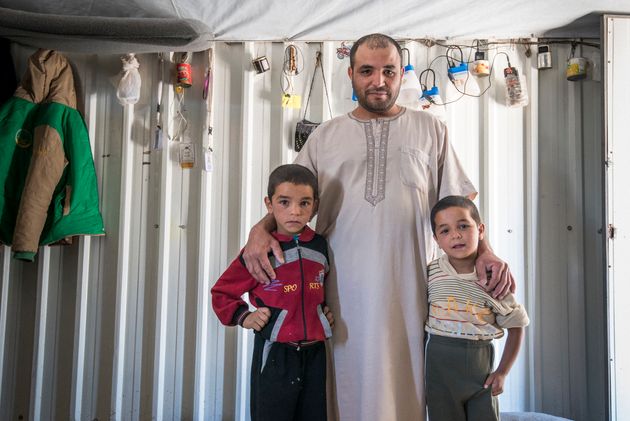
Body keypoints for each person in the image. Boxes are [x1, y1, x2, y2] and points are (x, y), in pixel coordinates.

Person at [242, 33, 515, 420]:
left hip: (413, 286)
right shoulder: (325, 136)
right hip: (340, 288)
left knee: (409, 381)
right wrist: (259, 229)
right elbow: (290, 199)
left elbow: (458, 204)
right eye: (367, 71)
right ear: (351, 73)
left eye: (389, 70)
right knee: (342, 380)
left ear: (401, 74)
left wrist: (486, 252)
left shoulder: (430, 129)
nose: (379, 81)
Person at [211, 164, 334, 421]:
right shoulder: (259, 251)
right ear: (269, 204)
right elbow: (222, 293)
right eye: (284, 202)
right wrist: (244, 317)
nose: (295, 211)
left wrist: (322, 315)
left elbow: (323, 288)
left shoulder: (321, 245)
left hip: (316, 354)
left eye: (304, 203)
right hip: (276, 353)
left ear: (315, 206)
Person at [425, 196, 529, 421]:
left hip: (480, 372)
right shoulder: (430, 273)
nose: (456, 234)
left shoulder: (494, 279)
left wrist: (502, 372)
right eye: (445, 230)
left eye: (463, 226)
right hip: (438, 371)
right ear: (436, 239)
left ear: (480, 230)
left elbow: (517, 325)